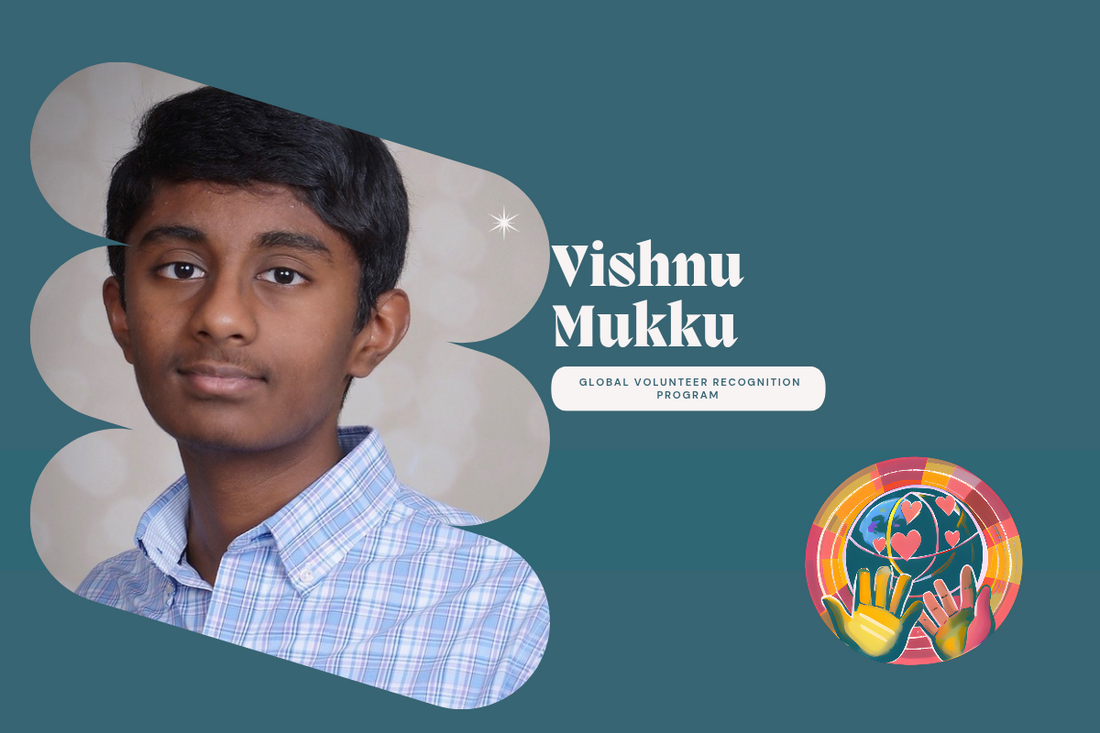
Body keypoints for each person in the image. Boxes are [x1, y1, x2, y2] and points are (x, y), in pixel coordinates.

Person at [76, 86, 549, 709]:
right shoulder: (104, 596)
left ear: (373, 332)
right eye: (181, 268)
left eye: (284, 274)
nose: (220, 317)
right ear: (123, 316)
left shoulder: (505, 608)